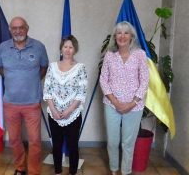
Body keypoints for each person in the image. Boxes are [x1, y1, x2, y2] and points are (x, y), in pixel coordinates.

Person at [0, 17, 49, 175]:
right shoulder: (3, 48)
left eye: (21, 28)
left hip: (32, 102)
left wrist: (29, 81)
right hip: (10, 103)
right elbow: (0, 68)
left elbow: (44, 67)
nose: (17, 31)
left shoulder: (38, 46)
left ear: (27, 28)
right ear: (10, 30)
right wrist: (15, 80)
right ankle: (20, 168)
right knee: (14, 140)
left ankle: (33, 171)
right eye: (14, 28)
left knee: (34, 141)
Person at [99, 21, 149, 175]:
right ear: (115, 36)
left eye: (126, 33)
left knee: (128, 143)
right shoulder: (109, 55)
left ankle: (125, 171)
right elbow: (103, 79)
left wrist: (132, 103)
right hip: (111, 104)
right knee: (113, 142)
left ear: (132, 36)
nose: (122, 36)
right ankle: (114, 170)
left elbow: (145, 81)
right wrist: (115, 102)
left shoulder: (140, 54)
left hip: (134, 106)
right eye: (119, 33)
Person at [43, 35, 88, 175]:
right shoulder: (52, 67)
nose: (68, 50)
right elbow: (47, 90)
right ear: (61, 49)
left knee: (72, 146)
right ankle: (57, 171)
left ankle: (73, 172)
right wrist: (53, 110)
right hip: (54, 113)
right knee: (56, 146)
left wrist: (69, 111)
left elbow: (81, 93)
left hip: (73, 114)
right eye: (65, 47)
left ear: (75, 50)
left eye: (71, 47)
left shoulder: (80, 68)